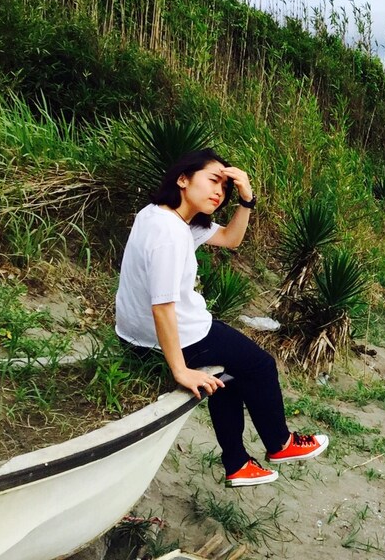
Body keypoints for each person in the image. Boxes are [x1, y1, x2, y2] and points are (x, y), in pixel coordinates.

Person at [115, 148, 328, 487]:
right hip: (175, 336)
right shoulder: (170, 233)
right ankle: (281, 443)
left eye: (224, 188)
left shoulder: (159, 215)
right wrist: (180, 369)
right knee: (260, 365)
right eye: (213, 180)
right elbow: (162, 307)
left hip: (133, 334)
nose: (219, 192)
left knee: (226, 379)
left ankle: (237, 463)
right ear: (183, 179)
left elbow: (231, 238)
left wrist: (246, 200)